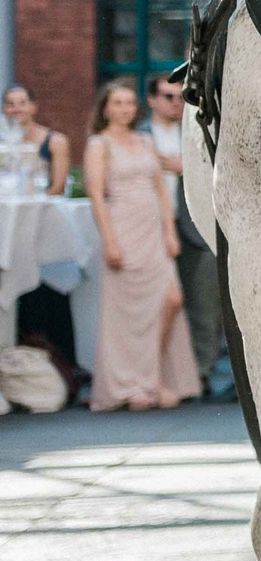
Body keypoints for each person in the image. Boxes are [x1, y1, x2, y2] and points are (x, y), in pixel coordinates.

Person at [84, 79, 200, 411]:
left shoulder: (145, 141)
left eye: (129, 103)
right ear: (106, 107)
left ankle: (150, 377)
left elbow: (162, 191)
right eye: (118, 103)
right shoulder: (99, 144)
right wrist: (110, 242)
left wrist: (170, 233)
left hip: (153, 233)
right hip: (122, 229)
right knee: (127, 314)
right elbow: (95, 195)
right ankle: (132, 384)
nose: (124, 109)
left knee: (172, 299)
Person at [145, 70, 224, 397]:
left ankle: (200, 375)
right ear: (151, 100)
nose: (176, 103)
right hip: (148, 231)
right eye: (168, 96)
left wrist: (183, 165)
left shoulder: (196, 132)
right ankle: (155, 374)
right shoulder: (138, 136)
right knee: (154, 306)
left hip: (195, 228)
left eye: (180, 97)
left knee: (204, 307)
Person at [1, 85, 71, 195]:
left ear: (33, 107)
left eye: (23, 103)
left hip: (43, 207)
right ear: (4, 109)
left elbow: (58, 186)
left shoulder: (55, 141)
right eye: (10, 104)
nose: (17, 109)